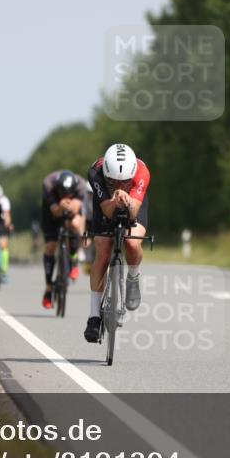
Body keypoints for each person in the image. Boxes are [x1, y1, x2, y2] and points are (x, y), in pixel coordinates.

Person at [83, 143, 151, 343]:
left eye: (124, 183)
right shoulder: (95, 172)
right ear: (105, 175)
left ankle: (133, 276)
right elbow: (107, 210)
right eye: (112, 182)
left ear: (132, 176)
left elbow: (133, 213)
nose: (119, 186)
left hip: (134, 203)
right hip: (104, 204)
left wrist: (127, 199)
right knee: (103, 248)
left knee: (131, 242)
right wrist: (114, 198)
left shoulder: (142, 172)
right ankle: (94, 316)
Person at [40, 169, 88, 309]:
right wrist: (59, 205)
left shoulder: (80, 185)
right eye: (64, 193)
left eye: (69, 194)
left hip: (72, 207)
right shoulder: (48, 184)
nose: (67, 195)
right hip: (51, 209)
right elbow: (55, 211)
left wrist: (71, 206)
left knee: (74, 224)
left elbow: (77, 208)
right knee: (50, 246)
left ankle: (73, 258)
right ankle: (49, 289)